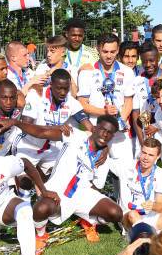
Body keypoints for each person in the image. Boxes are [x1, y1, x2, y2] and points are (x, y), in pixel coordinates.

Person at [7, 115, 123, 243]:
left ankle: (88, 220)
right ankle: (41, 236)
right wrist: (15, 122)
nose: (105, 134)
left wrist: (93, 205)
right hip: (58, 189)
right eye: (103, 129)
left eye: (110, 133)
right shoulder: (75, 135)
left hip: (82, 194)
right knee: (41, 209)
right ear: (94, 128)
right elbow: (41, 132)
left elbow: (97, 186)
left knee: (116, 213)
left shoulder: (104, 159)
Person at [13, 69, 90, 188]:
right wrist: (55, 128)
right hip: (29, 146)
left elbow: (89, 126)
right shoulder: (36, 95)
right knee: (25, 184)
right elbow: (26, 126)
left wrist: (104, 147)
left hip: (51, 148)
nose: (63, 92)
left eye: (66, 88)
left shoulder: (70, 101)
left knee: (60, 180)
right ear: (51, 85)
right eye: (59, 88)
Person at [77, 33, 136, 167]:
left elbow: (128, 101)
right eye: (105, 51)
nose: (109, 56)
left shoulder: (127, 72)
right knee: (95, 174)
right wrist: (103, 112)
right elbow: (81, 103)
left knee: (126, 174)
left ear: (118, 50)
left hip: (119, 133)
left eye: (113, 52)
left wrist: (119, 121)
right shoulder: (88, 71)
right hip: (96, 131)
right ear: (98, 49)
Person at [63, 18, 99, 85]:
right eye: (73, 35)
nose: (77, 39)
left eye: (80, 36)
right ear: (67, 34)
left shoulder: (92, 53)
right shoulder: (59, 52)